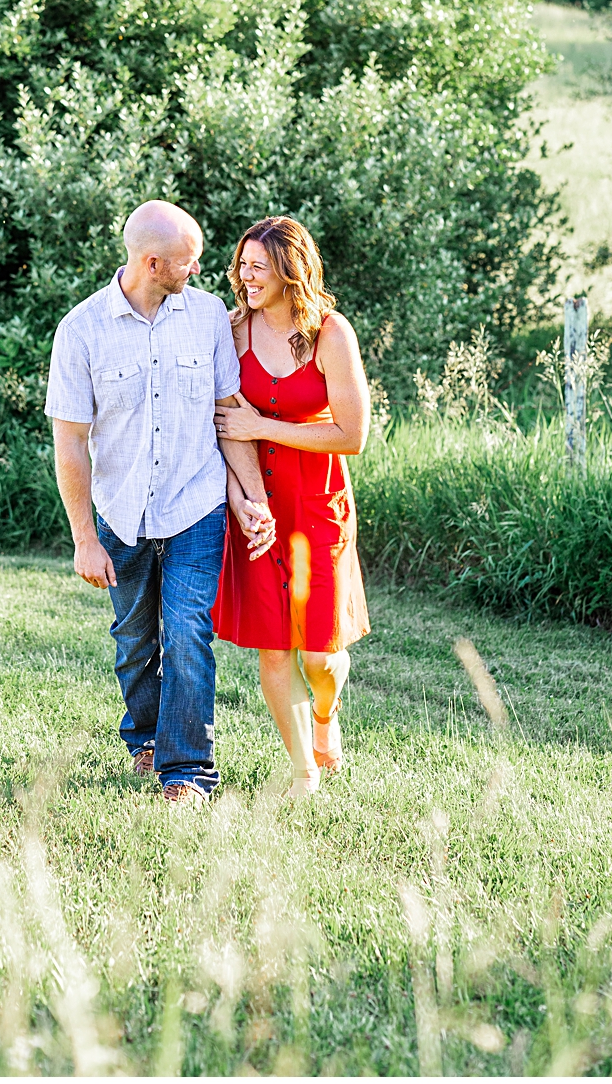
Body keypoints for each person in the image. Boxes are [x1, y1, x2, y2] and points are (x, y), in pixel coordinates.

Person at [45, 201, 275, 804]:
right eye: (187, 262)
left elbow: (230, 416)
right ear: (153, 263)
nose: (198, 271)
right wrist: (84, 539)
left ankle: (187, 771)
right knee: (135, 639)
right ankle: (145, 738)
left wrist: (253, 499)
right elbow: (69, 442)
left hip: (197, 505)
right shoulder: (82, 330)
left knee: (188, 632)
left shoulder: (206, 320)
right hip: (120, 513)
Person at [212, 217, 372, 798]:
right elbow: (229, 423)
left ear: (289, 269)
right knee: (274, 644)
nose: (245, 276)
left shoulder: (330, 333)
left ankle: (326, 721)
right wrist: (248, 498)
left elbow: (352, 435)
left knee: (320, 652)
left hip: (318, 501)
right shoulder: (234, 332)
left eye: (258, 266)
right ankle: (305, 771)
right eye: (242, 265)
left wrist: (266, 424)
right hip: (259, 503)